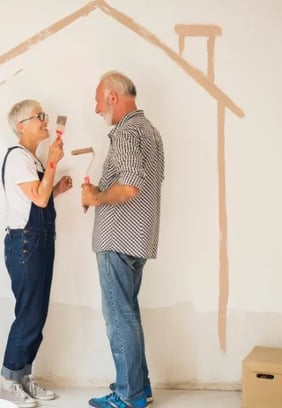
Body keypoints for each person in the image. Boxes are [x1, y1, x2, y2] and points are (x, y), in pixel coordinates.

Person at [81, 71, 165, 408]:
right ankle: (139, 389)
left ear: (113, 97)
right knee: (128, 314)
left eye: (98, 101)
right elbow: (141, 182)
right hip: (139, 237)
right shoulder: (151, 132)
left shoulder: (127, 132)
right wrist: (98, 192)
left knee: (119, 317)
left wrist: (96, 198)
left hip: (117, 239)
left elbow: (130, 186)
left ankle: (128, 397)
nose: (96, 108)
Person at [0, 99, 73, 407]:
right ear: (21, 126)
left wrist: (55, 189)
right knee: (28, 314)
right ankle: (9, 381)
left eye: (44, 116)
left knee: (37, 313)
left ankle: (24, 375)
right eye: (38, 116)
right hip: (26, 243)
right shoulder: (18, 158)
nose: (45, 120)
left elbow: (37, 198)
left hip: (39, 241)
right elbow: (39, 203)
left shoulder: (32, 159)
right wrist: (54, 162)